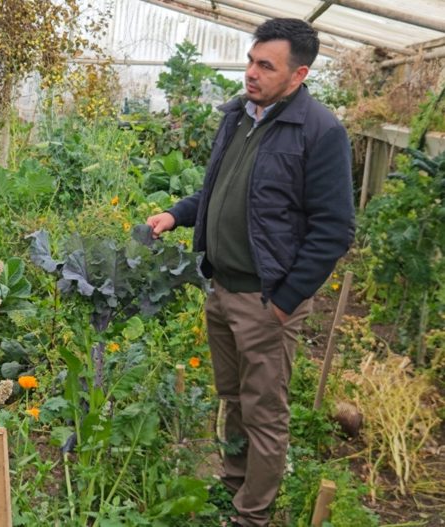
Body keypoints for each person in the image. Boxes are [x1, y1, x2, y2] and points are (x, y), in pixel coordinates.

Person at [146, 18, 354, 527]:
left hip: (266, 300)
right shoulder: (239, 116)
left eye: (266, 65)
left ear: (298, 74)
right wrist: (176, 213)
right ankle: (235, 483)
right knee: (233, 399)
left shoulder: (320, 132)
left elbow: (334, 229)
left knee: (264, 413)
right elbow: (217, 189)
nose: (251, 73)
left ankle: (252, 515)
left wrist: (284, 301)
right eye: (250, 60)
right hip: (222, 289)